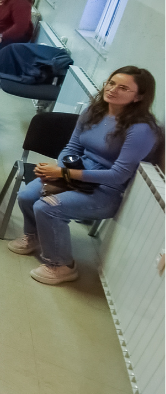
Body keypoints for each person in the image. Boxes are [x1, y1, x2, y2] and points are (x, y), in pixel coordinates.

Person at [13, 67, 159, 285]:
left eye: (123, 88)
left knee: (47, 207)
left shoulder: (141, 129)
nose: (112, 90)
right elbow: (71, 147)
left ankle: (62, 265)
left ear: (139, 97)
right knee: (26, 196)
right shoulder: (94, 111)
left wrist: (63, 173)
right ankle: (34, 236)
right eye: (111, 83)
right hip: (75, 175)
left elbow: (118, 175)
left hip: (105, 191)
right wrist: (62, 171)